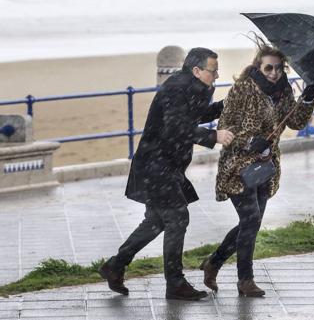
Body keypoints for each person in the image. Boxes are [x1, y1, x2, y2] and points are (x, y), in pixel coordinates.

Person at [98, 48, 234, 301]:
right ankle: (175, 283)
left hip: (166, 165)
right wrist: (213, 136)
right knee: (177, 219)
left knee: (156, 221)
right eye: (213, 71)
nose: (216, 75)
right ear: (197, 70)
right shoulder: (177, 88)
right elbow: (175, 126)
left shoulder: (189, 86)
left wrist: (225, 106)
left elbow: (192, 114)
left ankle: (115, 265)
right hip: (156, 165)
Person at [200, 39, 314, 297]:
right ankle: (245, 281)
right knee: (250, 220)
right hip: (238, 166)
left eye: (278, 68)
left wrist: (307, 102)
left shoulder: (284, 91)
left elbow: (295, 122)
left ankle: (213, 262)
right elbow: (226, 126)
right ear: (258, 67)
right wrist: (251, 140)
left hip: (264, 166)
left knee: (251, 223)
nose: (274, 73)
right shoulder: (242, 89)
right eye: (268, 69)